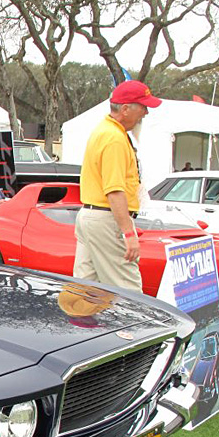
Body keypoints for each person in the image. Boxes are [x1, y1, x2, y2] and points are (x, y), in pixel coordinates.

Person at [75, 79, 161, 292]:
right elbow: (114, 191)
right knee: (129, 294)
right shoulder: (114, 138)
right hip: (106, 219)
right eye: (143, 107)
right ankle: (133, 327)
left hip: (91, 216)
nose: (146, 114)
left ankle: (84, 324)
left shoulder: (104, 131)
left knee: (86, 290)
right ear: (125, 109)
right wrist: (128, 233)